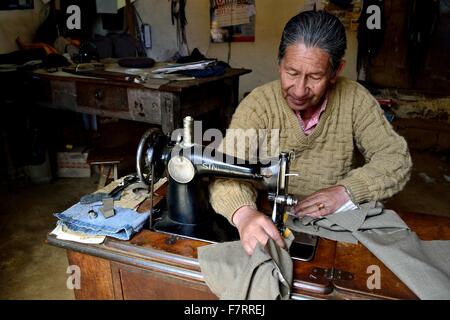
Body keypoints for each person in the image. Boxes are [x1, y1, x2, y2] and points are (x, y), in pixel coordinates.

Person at [209, 10, 412, 255]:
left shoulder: (355, 99)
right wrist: (243, 214)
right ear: (279, 62)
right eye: (291, 73)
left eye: (315, 76)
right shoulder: (259, 105)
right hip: (266, 217)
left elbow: (395, 159)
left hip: (332, 224)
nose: (300, 89)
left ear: (336, 72)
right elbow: (223, 172)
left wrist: (346, 191)